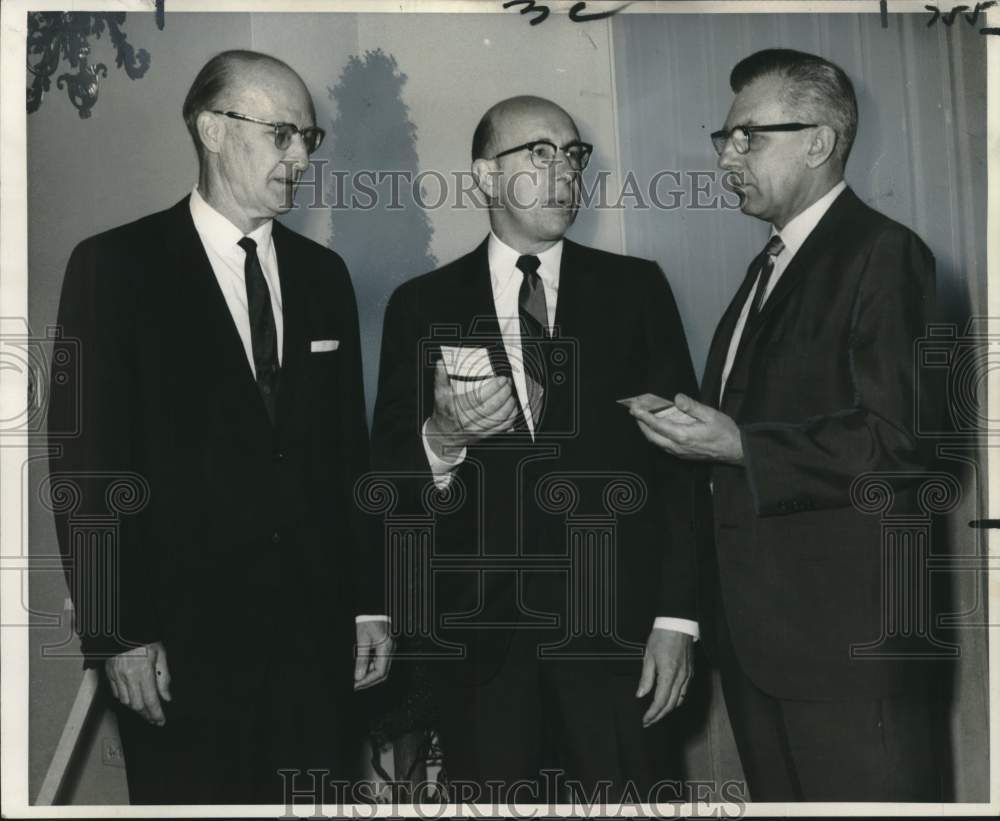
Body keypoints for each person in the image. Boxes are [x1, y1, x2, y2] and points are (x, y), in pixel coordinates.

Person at [47, 50, 391, 805]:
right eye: (282, 134)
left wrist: (368, 601)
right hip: (176, 652)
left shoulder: (324, 278)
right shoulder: (115, 267)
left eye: (309, 137)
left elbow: (347, 458)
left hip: (313, 650)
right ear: (211, 128)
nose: (301, 155)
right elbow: (85, 463)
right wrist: (116, 632)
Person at [630, 48, 940, 801]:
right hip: (762, 647)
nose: (727, 157)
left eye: (749, 137)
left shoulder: (882, 253)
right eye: (724, 139)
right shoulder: (766, 268)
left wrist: (739, 443)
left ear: (819, 143)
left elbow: (898, 444)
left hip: (845, 654)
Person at [371, 95, 700, 802]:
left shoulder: (637, 290)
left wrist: (677, 620)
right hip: (482, 651)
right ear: (486, 176)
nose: (564, 171)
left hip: (618, 645)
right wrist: (443, 438)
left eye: (573, 154)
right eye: (539, 152)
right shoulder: (420, 305)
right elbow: (391, 476)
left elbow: (679, 469)